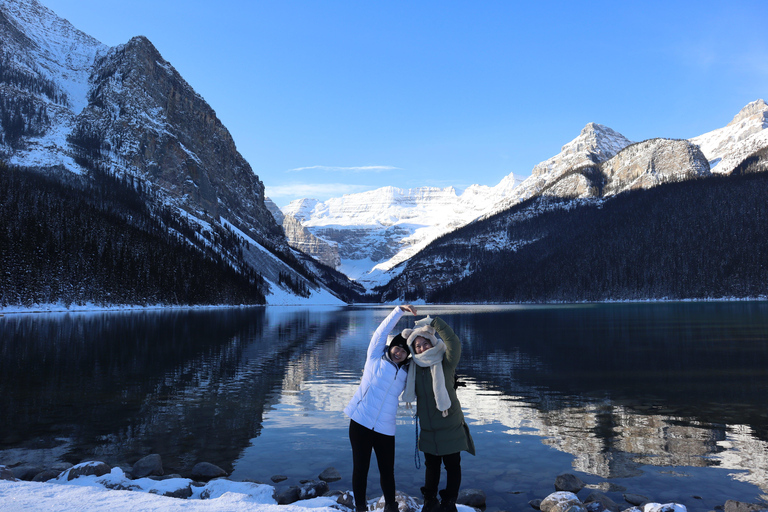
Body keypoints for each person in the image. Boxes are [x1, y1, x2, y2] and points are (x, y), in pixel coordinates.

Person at [344, 304, 418, 512]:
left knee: (387, 471)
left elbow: (428, 358)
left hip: (386, 427)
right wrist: (398, 311)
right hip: (360, 421)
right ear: (391, 346)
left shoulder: (408, 372)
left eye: (404, 351)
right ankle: (360, 507)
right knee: (361, 469)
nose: (399, 352)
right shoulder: (374, 358)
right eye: (397, 348)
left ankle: (391, 507)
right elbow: (380, 333)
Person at [402, 316, 475, 512]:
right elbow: (395, 354)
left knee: (452, 465)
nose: (422, 348)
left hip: (449, 424)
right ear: (413, 349)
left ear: (432, 342)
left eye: (425, 343)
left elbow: (453, 342)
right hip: (428, 428)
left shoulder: (445, 362)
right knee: (431, 466)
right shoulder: (413, 367)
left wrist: (434, 322)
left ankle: (449, 502)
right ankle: (430, 500)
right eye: (417, 345)